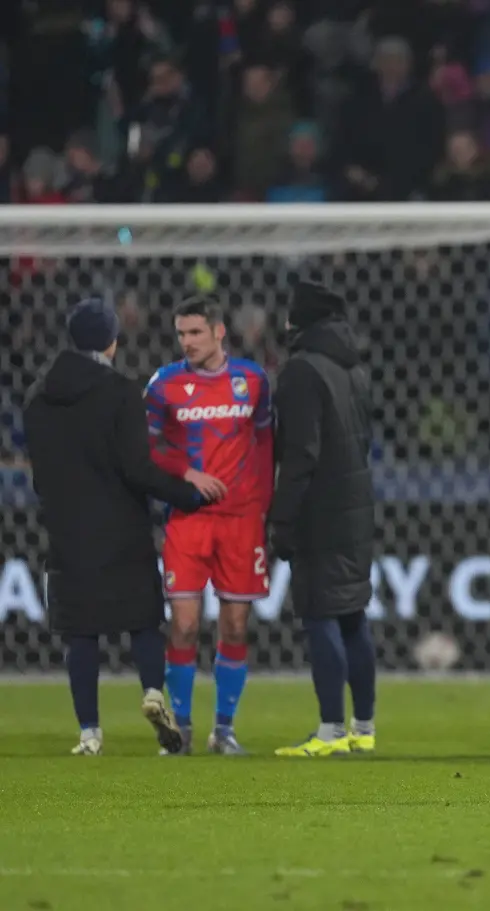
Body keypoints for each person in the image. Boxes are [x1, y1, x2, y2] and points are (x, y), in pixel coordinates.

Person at [24, 298, 205, 755]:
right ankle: (151, 693)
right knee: (143, 622)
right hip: (121, 526)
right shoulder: (121, 392)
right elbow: (137, 469)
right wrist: (189, 494)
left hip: (66, 529)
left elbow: (42, 475)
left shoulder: (37, 397)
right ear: (111, 342)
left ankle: (89, 732)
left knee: (80, 633)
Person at [145, 297, 273, 755]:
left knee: (235, 626)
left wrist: (260, 503)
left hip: (240, 523)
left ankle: (225, 729)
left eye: (196, 332)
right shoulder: (164, 384)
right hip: (189, 520)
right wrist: (187, 473)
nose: (187, 342)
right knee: (183, 624)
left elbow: (263, 442)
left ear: (219, 332)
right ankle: (180, 730)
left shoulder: (252, 381)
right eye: (181, 334)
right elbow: (148, 448)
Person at [270, 282, 379, 758]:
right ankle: (364, 727)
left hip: (319, 510)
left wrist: (283, 518)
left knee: (319, 615)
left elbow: (301, 454)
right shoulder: (352, 368)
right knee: (352, 614)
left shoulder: (301, 370)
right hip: (357, 505)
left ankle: (330, 730)